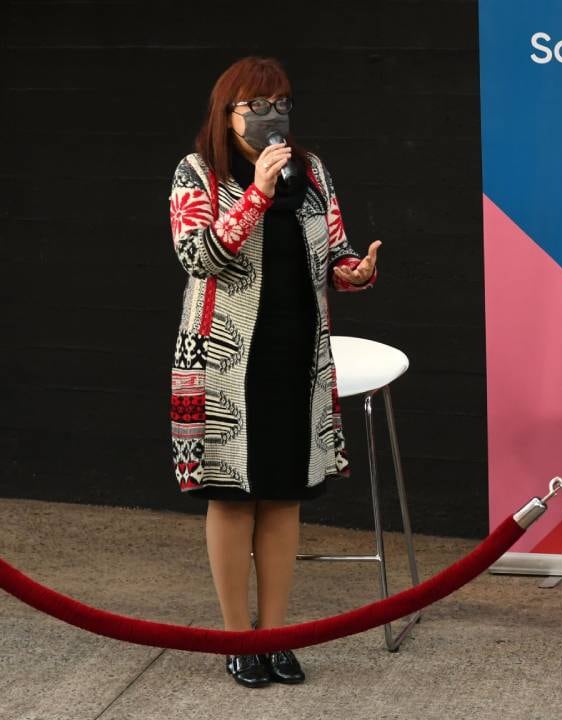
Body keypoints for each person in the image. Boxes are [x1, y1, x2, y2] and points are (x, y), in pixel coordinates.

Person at [167, 56, 382, 688]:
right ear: (226, 112)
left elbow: (333, 251)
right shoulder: (196, 173)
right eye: (256, 107)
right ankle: (239, 639)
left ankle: (280, 634)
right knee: (235, 498)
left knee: (284, 496)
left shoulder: (311, 170)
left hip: (297, 355)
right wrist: (256, 193)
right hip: (224, 362)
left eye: (281, 103)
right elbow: (197, 256)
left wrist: (355, 272)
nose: (272, 117)